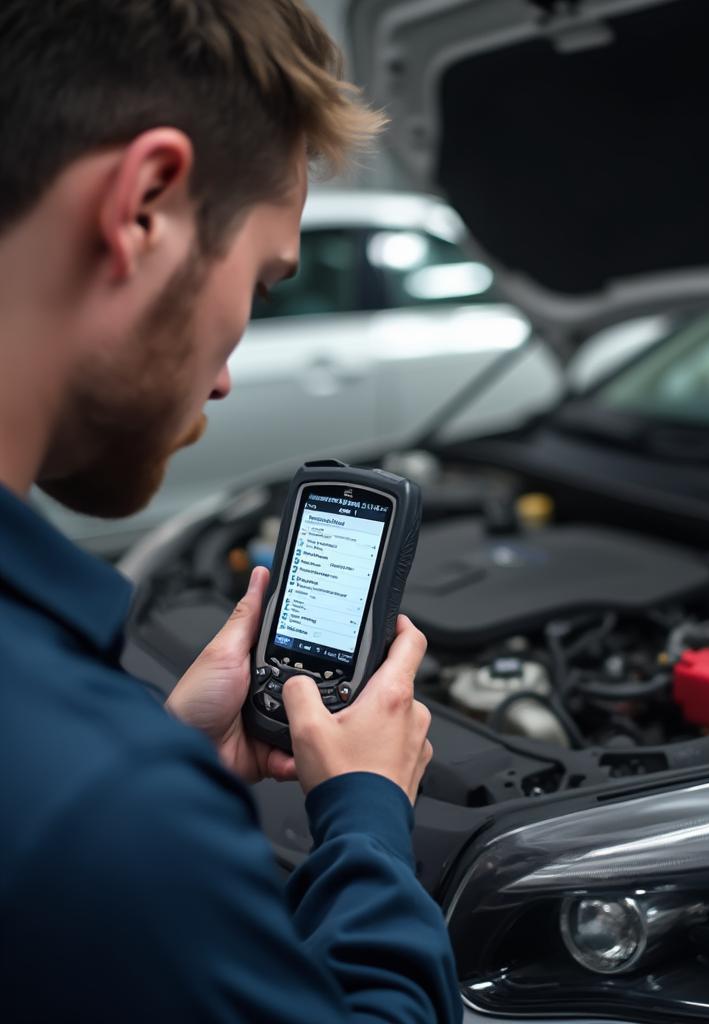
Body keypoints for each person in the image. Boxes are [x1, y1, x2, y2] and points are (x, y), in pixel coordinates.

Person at [0, 2, 461, 1022]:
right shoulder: (99, 809)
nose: (223, 382)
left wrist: (161, 758)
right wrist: (368, 823)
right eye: (260, 279)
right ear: (146, 206)